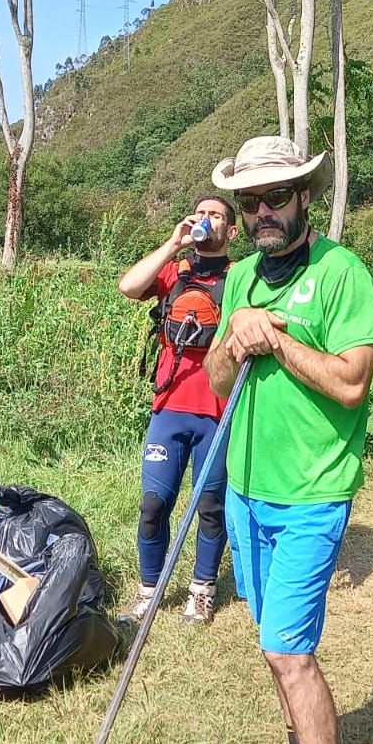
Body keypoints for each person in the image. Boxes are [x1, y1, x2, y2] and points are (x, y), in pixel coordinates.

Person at [204, 136, 373, 744]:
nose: (262, 213)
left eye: (276, 197)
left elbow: (351, 383)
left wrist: (274, 340)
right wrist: (237, 335)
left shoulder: (342, 272)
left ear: (304, 195)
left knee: (287, 651)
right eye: (249, 202)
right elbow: (219, 381)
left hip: (312, 490)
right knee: (273, 643)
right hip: (248, 488)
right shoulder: (243, 278)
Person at [116, 194, 239, 625]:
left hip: (219, 414)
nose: (206, 220)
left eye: (216, 216)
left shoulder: (241, 279)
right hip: (169, 409)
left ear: (232, 231)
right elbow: (129, 286)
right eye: (201, 213)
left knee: (210, 506)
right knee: (153, 505)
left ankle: (201, 590)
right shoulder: (174, 271)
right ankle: (149, 591)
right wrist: (174, 244)